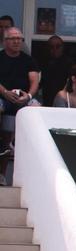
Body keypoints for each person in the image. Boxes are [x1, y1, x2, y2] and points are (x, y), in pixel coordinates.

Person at [0, 27, 39, 182]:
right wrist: (5, 92)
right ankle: (2, 144)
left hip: (22, 99)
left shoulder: (28, 60)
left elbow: (34, 81)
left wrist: (28, 96)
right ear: (5, 41)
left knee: (37, 109)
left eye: (19, 38)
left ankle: (36, 147)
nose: (17, 41)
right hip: (2, 98)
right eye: (13, 38)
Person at [37, 35, 72, 103]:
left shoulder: (69, 63)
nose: (55, 49)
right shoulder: (43, 62)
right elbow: (39, 83)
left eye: (58, 46)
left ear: (62, 47)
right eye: (51, 47)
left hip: (63, 98)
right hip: (46, 98)